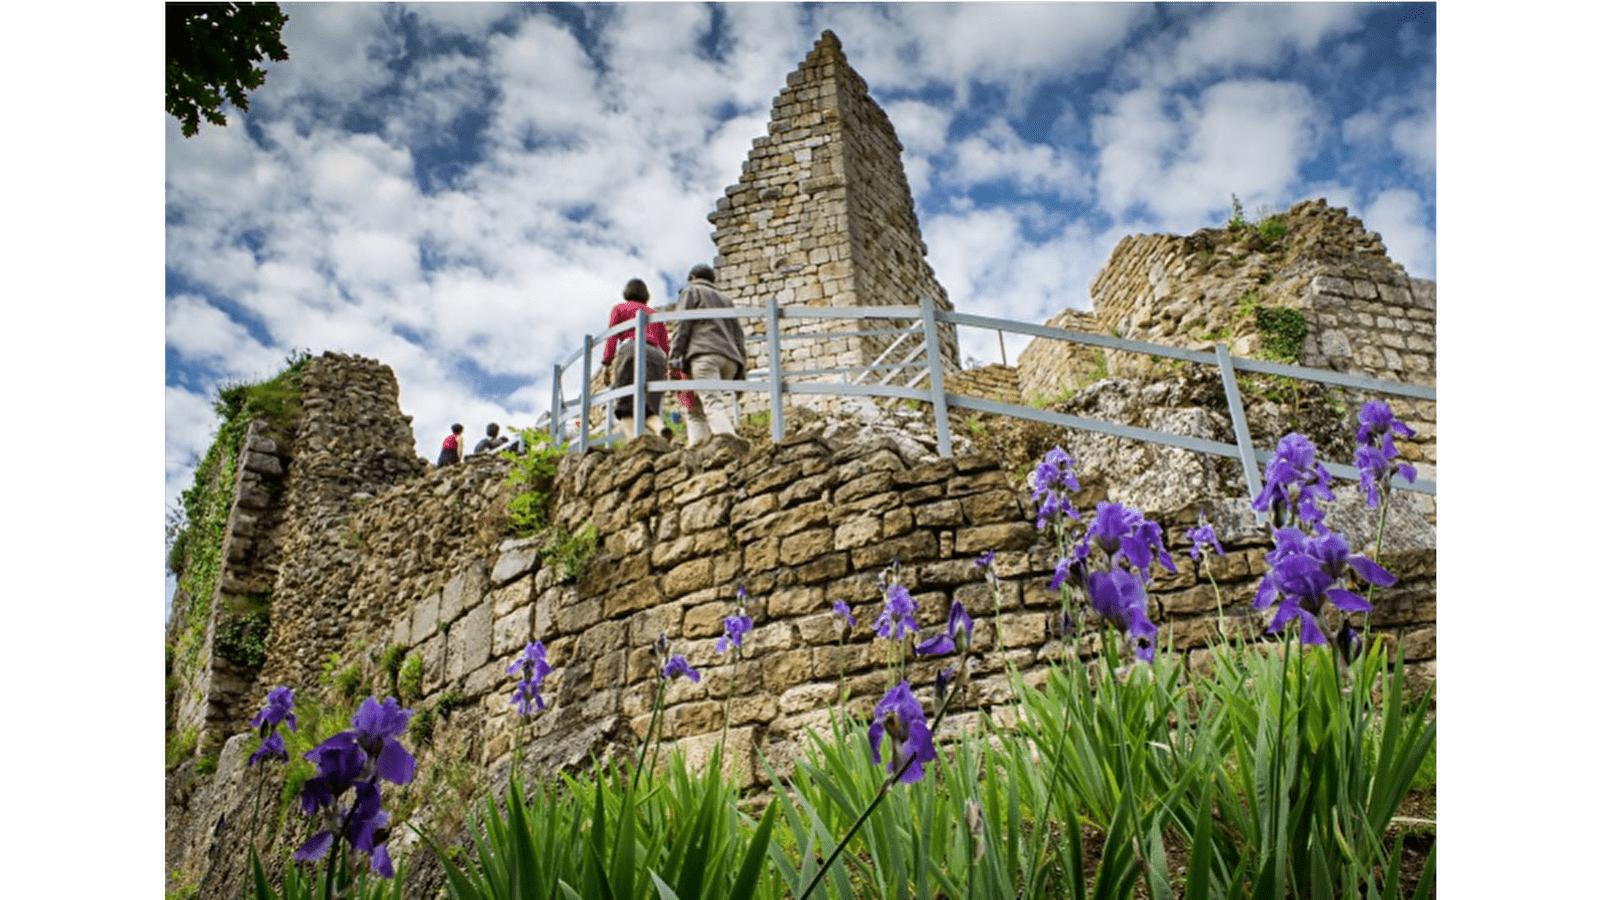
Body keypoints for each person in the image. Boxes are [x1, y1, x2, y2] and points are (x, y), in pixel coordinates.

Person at [668, 264, 747, 447]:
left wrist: (674, 358)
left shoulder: (691, 291)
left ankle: (730, 442)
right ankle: (697, 444)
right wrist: (741, 371)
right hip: (730, 361)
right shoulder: (726, 300)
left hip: (705, 355)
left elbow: (682, 325)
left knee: (711, 402)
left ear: (693, 277)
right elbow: (739, 336)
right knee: (693, 406)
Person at [603, 278, 671, 439]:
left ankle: (634, 443)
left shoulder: (620, 309)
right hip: (657, 356)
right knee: (649, 406)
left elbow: (612, 338)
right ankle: (660, 429)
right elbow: (665, 346)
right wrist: (668, 367)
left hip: (631, 351)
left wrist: (607, 362)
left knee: (626, 407)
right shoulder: (653, 314)